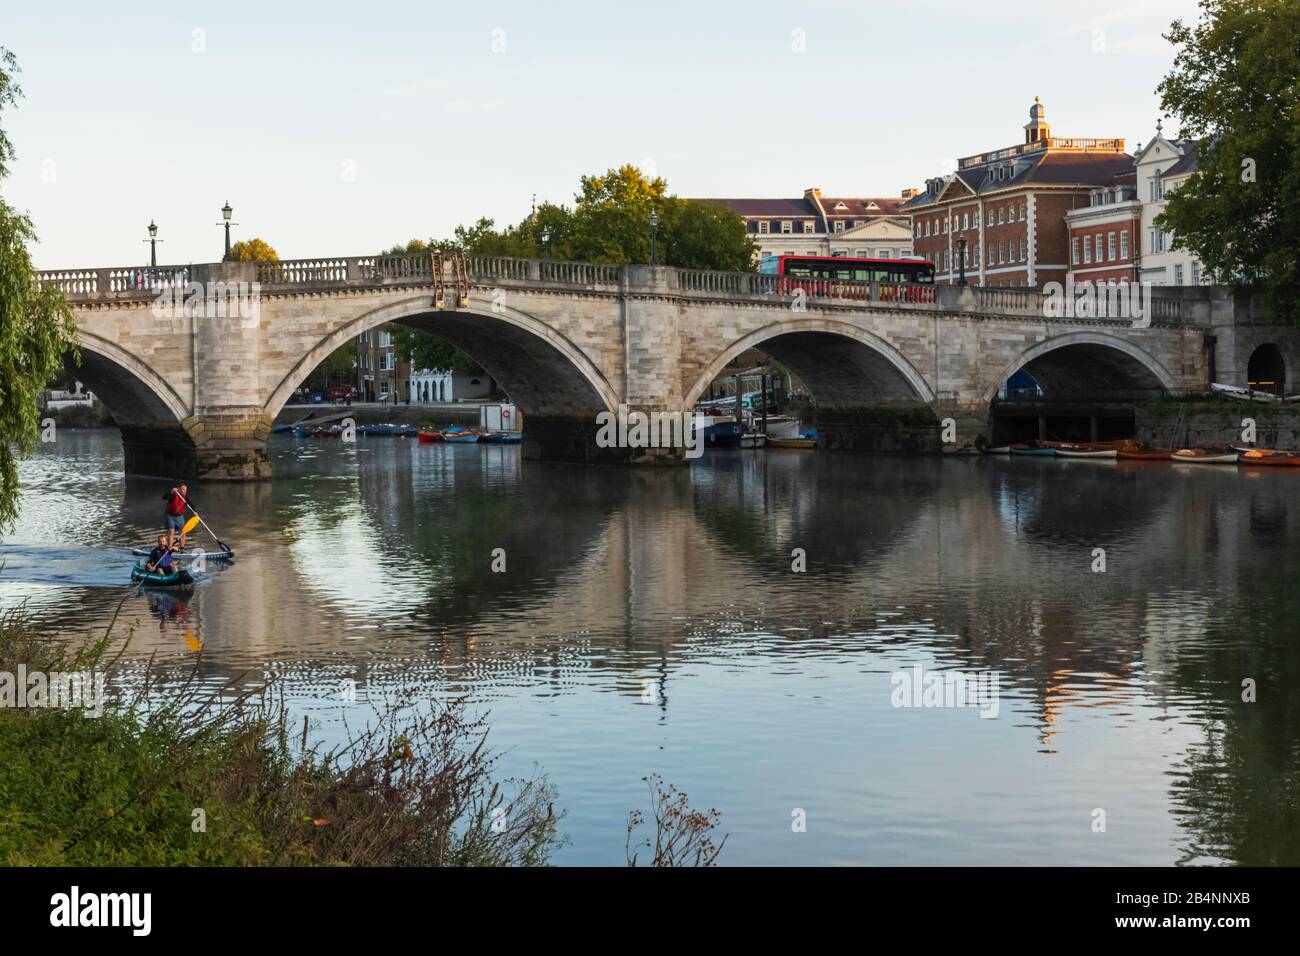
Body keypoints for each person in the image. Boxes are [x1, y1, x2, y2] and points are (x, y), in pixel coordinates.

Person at [162, 483, 189, 551]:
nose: (184, 491)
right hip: (170, 516)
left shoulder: (185, 498)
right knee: (171, 532)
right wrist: (171, 492)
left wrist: (196, 512)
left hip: (179, 516)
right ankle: (169, 548)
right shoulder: (173, 495)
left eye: (185, 490)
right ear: (179, 490)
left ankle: (182, 548)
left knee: (182, 532)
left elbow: (191, 505)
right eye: (183, 489)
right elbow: (164, 497)